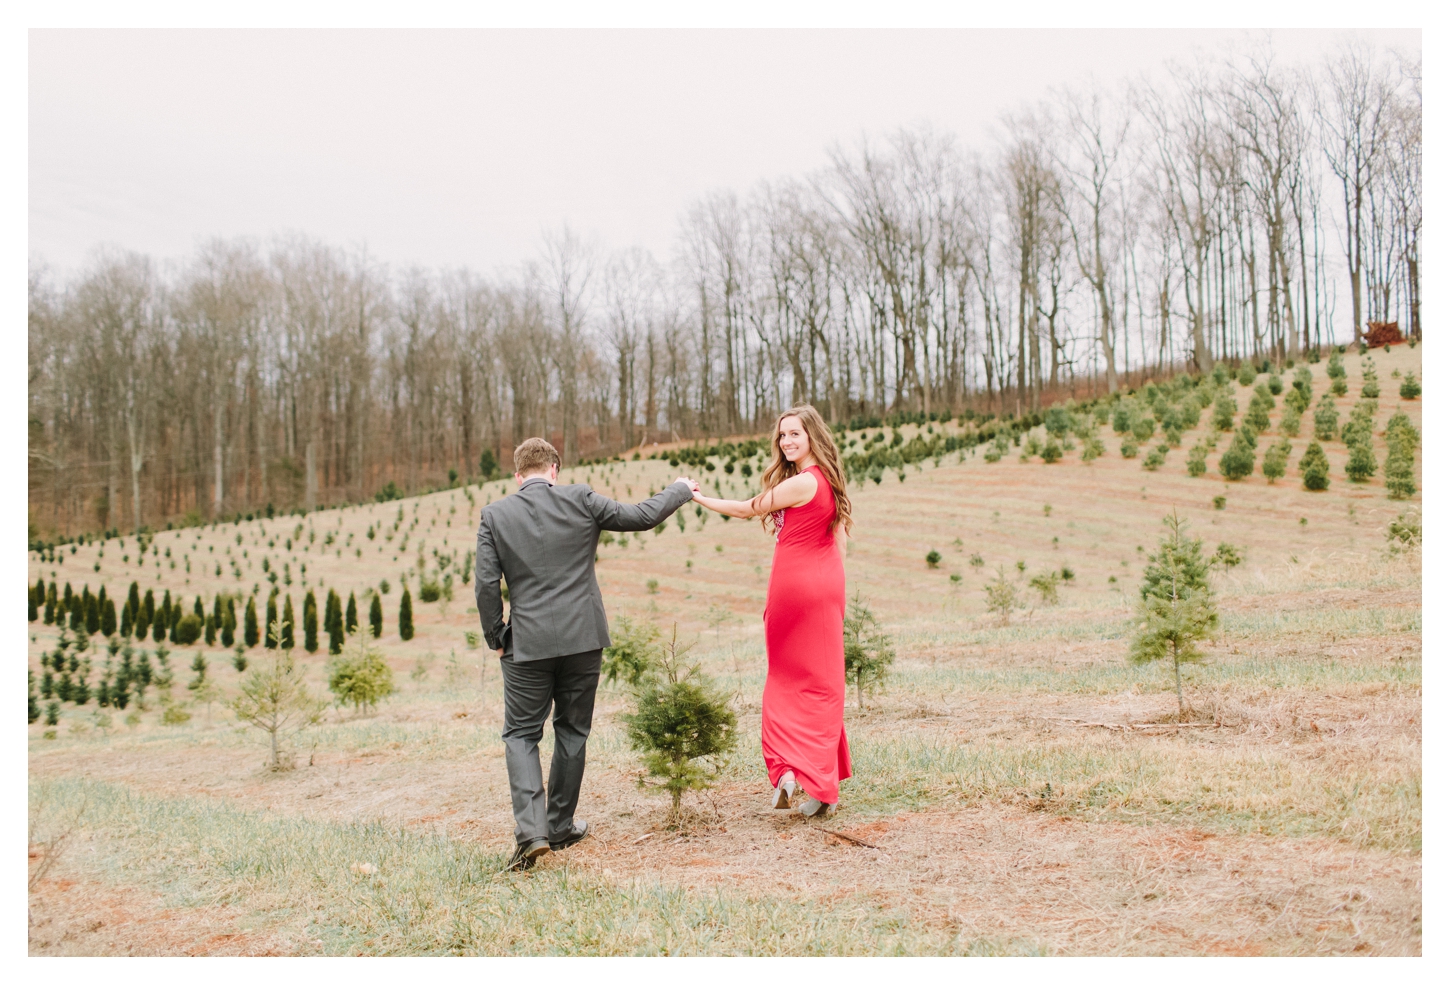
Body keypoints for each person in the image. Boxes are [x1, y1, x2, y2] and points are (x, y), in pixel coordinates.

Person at [475, 437, 699, 871]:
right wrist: (679, 488)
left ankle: (533, 833)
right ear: (554, 470)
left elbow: (486, 584)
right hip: (583, 638)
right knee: (572, 730)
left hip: (528, 644)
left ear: (519, 476)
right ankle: (559, 827)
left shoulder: (495, 515)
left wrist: (496, 634)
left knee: (522, 735)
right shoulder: (581, 498)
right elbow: (641, 516)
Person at [690, 406, 853, 817]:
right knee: (824, 682)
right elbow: (841, 541)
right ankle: (819, 786)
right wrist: (839, 598)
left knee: (786, 680)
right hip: (826, 584)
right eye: (783, 436)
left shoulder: (803, 483)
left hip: (794, 588)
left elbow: (748, 508)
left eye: (795, 434)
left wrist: (697, 497)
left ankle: (790, 773)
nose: (787, 442)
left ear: (813, 435)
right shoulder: (830, 481)